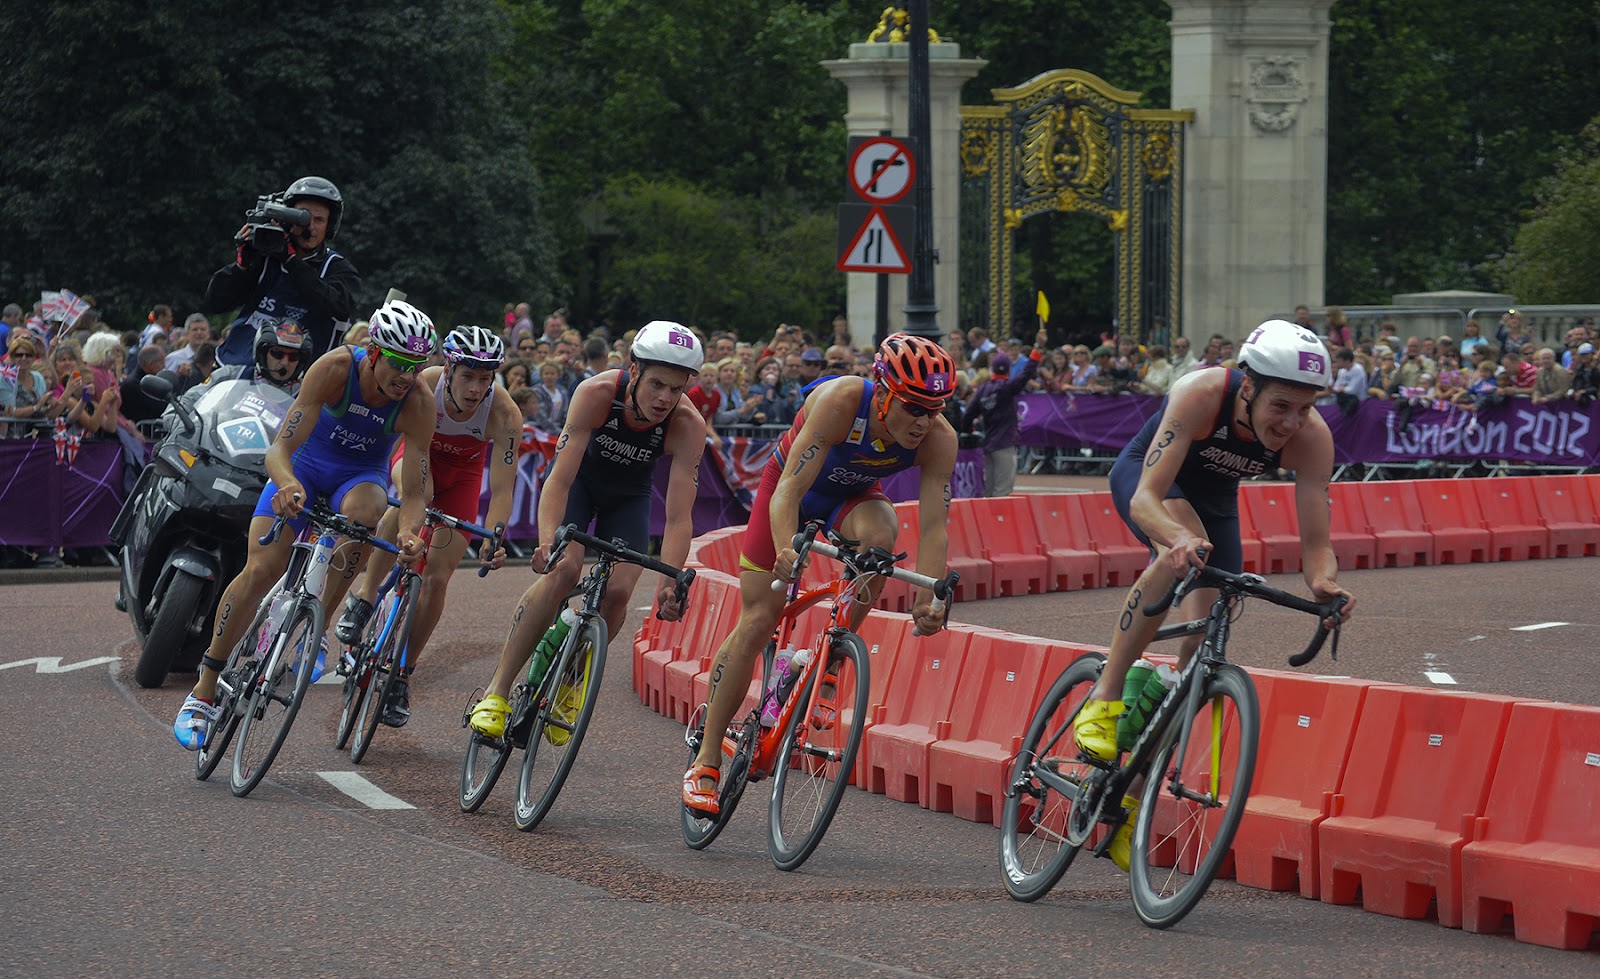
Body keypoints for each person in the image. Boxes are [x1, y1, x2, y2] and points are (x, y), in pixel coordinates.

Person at [1075, 319, 1355, 869]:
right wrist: (1174, 537)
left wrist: (1325, 584)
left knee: (1198, 659)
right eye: (1281, 406)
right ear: (1247, 386)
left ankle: (1127, 797)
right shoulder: (1202, 392)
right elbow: (1146, 500)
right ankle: (1104, 697)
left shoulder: (1312, 437)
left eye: (1304, 408)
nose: (1292, 422)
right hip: (1152, 482)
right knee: (1180, 554)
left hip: (1215, 498)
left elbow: (1318, 546)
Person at [680, 333, 959, 816]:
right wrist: (787, 549)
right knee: (759, 618)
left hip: (851, 496)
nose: (924, 421)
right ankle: (705, 761)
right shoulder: (841, 401)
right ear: (885, 392)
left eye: (936, 409)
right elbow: (789, 488)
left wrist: (930, 595)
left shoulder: (939, 439)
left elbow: (935, 527)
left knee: (882, 538)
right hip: (789, 490)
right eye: (914, 407)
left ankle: (831, 660)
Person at [172, 300, 439, 750]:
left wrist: (411, 532)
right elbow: (280, 448)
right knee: (260, 570)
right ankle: (204, 688)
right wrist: (288, 483)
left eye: (416, 366)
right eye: (398, 363)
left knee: (369, 511)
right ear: (373, 352)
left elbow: (413, 493)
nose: (406, 377)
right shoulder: (335, 368)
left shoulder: (418, 402)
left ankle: (315, 630)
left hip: (358, 480)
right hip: (304, 468)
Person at [466, 321, 707, 740]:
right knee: (564, 569)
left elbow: (678, 518)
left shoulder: (687, 424)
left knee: (617, 593)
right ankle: (497, 692)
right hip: (579, 484)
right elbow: (559, 479)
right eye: (657, 384)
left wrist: (671, 583)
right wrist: (547, 543)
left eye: (677, 388)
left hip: (629, 497)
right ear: (634, 371)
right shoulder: (596, 393)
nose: (665, 398)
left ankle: (569, 683)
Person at [335, 326, 519, 727]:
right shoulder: (426, 385)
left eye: (485, 379)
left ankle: (402, 674)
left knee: (437, 578)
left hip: (463, 479)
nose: (476, 388)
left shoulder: (504, 413)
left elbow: (503, 488)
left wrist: (497, 536)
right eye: (468, 376)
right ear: (448, 368)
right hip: (417, 458)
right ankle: (365, 597)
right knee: (409, 499)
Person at [205, 175, 361, 366]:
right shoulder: (265, 258)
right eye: (302, 217)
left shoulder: (338, 268)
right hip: (237, 370)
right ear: (287, 219)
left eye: (319, 220)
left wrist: (291, 260)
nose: (310, 227)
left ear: (329, 226)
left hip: (303, 384)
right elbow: (215, 303)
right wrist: (241, 267)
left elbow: (338, 308)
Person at [966, 328, 1047, 497]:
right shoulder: (1008, 387)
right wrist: (1037, 348)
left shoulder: (983, 389)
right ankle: (998, 521)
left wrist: (967, 432)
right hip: (1005, 443)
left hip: (988, 442)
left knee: (988, 488)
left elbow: (968, 414)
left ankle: (984, 520)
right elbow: (1026, 373)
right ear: (1009, 370)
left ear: (993, 369)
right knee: (1003, 489)